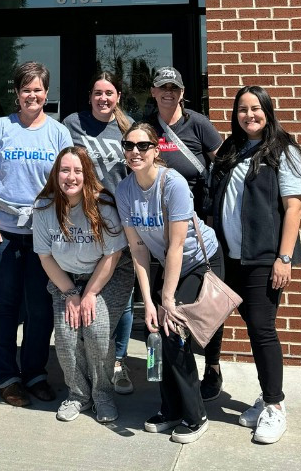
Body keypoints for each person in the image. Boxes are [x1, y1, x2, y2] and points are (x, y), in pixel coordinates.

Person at [0, 61, 73, 406]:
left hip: (42, 235)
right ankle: (7, 378)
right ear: (17, 93)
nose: (33, 95)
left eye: (38, 89)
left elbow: (68, 181)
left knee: (41, 307)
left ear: (47, 93)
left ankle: (35, 374)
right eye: (26, 89)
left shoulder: (58, 133)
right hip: (2, 230)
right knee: (3, 306)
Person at [208, 85, 301, 445]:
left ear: (268, 110)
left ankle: (275, 408)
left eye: (255, 108)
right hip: (230, 257)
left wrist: (284, 257)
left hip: (263, 257)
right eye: (242, 110)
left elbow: (293, 207)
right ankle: (266, 396)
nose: (249, 115)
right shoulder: (233, 149)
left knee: (262, 330)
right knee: (251, 326)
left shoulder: (285, 150)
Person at [115, 121, 223, 445]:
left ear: (156, 149)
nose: (135, 151)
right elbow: (137, 249)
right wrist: (148, 302)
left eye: (142, 145)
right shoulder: (124, 190)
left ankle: (196, 415)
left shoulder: (172, 183)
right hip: (166, 263)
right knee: (155, 333)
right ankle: (170, 407)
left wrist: (168, 300)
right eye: (129, 145)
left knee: (173, 330)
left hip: (199, 261)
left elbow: (177, 246)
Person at [32, 147, 133, 424]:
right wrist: (72, 293)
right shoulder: (44, 208)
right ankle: (78, 395)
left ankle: (102, 394)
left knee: (96, 327)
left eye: (78, 171)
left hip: (108, 274)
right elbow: (45, 257)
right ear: (56, 173)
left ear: (87, 174)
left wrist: (89, 294)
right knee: (66, 331)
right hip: (66, 277)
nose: (71, 177)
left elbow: (112, 255)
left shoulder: (104, 206)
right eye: (65, 170)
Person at [146, 66, 224, 400]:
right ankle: (163, 376)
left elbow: (224, 164)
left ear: (181, 92)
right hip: (157, 230)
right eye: (162, 87)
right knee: (158, 306)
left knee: (207, 303)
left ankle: (212, 366)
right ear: (153, 91)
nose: (168, 93)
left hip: (197, 225)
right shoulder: (147, 127)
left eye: (174, 88)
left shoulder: (198, 123)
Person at [62, 72, 136, 395]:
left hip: (123, 220)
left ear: (118, 96)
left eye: (109, 93)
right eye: (97, 93)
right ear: (90, 96)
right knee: (93, 289)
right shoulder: (71, 124)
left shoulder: (127, 127)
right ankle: (93, 360)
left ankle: (117, 360)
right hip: (85, 221)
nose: (103, 99)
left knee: (124, 296)